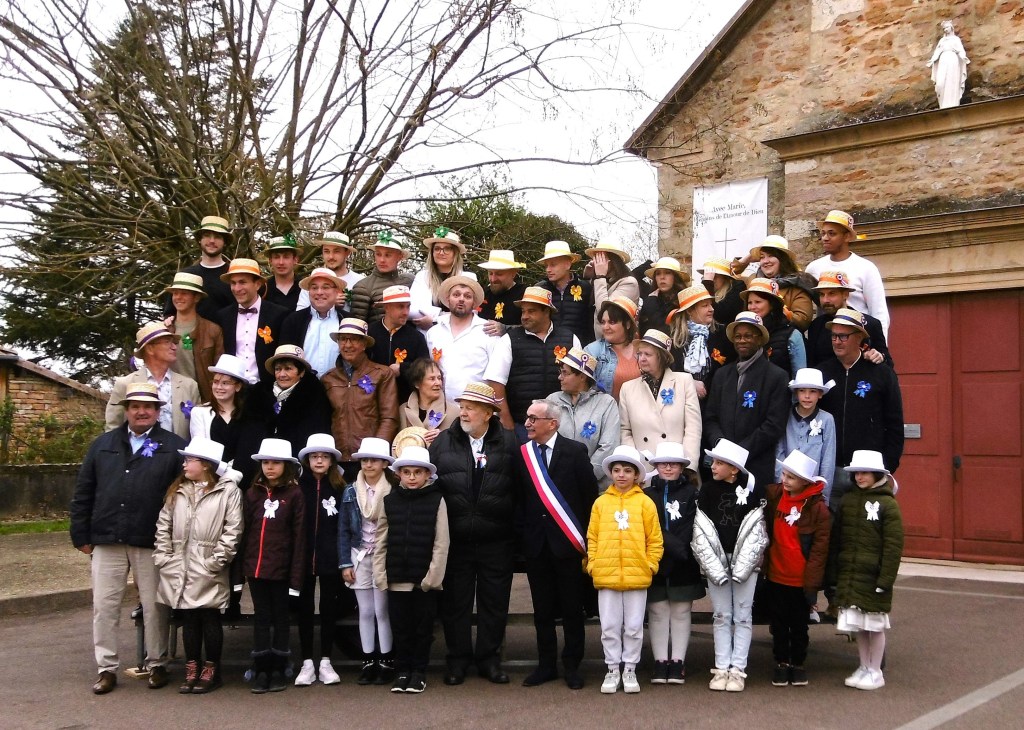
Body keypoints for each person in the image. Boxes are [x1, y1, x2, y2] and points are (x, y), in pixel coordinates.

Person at [71, 383, 187, 694]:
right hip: (106, 537)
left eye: (148, 406)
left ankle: (157, 663)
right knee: (104, 605)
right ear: (126, 410)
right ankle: (106, 668)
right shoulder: (103, 445)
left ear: (158, 411)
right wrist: (80, 533)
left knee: (154, 606)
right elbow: (84, 491)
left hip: (151, 538)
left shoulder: (174, 446)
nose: (141, 412)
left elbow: (182, 496)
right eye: (135, 406)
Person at [428, 382, 519, 686]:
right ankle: (457, 661)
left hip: (497, 540)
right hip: (456, 540)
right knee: (456, 604)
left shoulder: (509, 443)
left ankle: (489, 660)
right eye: (462, 407)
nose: (463, 413)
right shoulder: (442, 442)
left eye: (470, 408)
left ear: (488, 413)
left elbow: (519, 490)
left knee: (495, 604)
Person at [517, 398, 598, 690]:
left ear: (552, 423)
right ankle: (546, 665)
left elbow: (589, 498)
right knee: (542, 610)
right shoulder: (523, 454)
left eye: (533, 418)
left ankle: (572, 665)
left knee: (572, 609)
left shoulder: (575, 452)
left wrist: (585, 540)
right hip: (537, 545)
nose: (527, 423)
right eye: (527, 418)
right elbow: (519, 499)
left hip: (568, 545)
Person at [154, 437, 243, 695]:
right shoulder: (179, 490)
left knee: (209, 616)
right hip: (179, 564)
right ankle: (192, 668)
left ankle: (211, 670)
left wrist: (215, 561)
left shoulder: (228, 492)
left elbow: (233, 530)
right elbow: (163, 525)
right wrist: (164, 557)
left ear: (205, 464)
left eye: (189, 460)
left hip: (207, 564)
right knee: (189, 617)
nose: (184, 464)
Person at [690, 438, 768, 693]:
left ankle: (737, 669)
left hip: (746, 562)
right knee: (721, 615)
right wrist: (712, 562)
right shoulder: (707, 492)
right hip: (718, 561)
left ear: (734, 469)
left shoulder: (752, 493)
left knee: (743, 615)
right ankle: (721, 667)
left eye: (719, 462)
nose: (713, 466)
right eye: (713, 461)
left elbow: (757, 531)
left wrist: (746, 562)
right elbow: (701, 529)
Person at [373, 445, 450, 694]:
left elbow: (441, 542)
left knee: (422, 628)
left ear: (428, 474)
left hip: (424, 579)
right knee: (400, 627)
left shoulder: (436, 500)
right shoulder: (390, 501)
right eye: (407, 472)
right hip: (396, 577)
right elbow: (381, 540)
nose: (412, 477)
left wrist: (432, 578)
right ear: (399, 474)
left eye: (418, 472)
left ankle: (418, 672)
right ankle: (402, 670)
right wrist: (380, 573)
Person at [587, 444, 663, 695]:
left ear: (636, 475)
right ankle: (612, 668)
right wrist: (594, 564)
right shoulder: (600, 503)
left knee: (633, 626)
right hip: (606, 574)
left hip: (637, 574)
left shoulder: (645, 503)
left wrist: (650, 565)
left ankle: (629, 668)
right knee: (609, 626)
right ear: (610, 472)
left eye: (627, 471)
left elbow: (655, 540)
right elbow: (592, 537)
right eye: (617, 470)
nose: (621, 475)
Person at [830, 450, 904, 691]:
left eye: (864, 473)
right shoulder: (848, 500)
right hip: (851, 575)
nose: (859, 477)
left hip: (873, 576)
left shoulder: (888, 505)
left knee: (874, 625)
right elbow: (838, 538)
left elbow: (893, 546)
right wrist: (837, 570)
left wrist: (886, 579)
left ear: (876, 474)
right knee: (859, 626)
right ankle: (863, 666)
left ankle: (875, 670)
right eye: (856, 473)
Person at [238, 437, 306, 694]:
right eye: (266, 462)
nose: (270, 467)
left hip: (281, 568)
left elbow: (299, 537)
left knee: (280, 617)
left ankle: (279, 667)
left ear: (286, 465)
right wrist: (242, 568)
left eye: (276, 463)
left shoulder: (295, 494)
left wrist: (296, 575)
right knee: (261, 617)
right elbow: (246, 531)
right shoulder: (252, 493)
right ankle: (261, 667)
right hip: (256, 568)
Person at [818, 308, 904, 509]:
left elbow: (895, 424)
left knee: (864, 528)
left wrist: (886, 468)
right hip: (830, 472)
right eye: (834, 336)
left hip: (868, 472)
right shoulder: (821, 373)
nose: (837, 341)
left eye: (843, 336)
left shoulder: (881, 373)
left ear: (859, 337)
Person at [764, 450, 832, 688]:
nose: (784, 480)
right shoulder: (774, 496)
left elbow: (819, 551)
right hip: (776, 574)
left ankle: (798, 663)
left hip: (800, 578)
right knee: (779, 623)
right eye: (784, 474)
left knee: (800, 625)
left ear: (805, 481)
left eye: (791, 477)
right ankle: (781, 662)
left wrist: (812, 583)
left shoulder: (817, 509)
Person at [703, 312, 790, 489]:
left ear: (760, 339)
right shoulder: (721, 375)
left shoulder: (777, 376)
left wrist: (739, 452)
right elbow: (710, 418)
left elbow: (774, 425)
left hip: (756, 467)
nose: (742, 340)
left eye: (748, 336)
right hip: (722, 466)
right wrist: (721, 445)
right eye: (738, 336)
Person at [643, 442, 704, 686]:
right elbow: (649, 527)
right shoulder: (647, 495)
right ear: (656, 466)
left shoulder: (692, 494)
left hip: (684, 562)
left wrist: (679, 551)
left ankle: (678, 661)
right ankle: (660, 661)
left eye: (674, 464)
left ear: (681, 467)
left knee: (681, 611)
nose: (668, 468)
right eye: (663, 464)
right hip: (655, 561)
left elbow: (693, 526)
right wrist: (668, 550)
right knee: (657, 612)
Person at [485, 286, 579, 437]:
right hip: (521, 424)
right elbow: (495, 382)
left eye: (531, 311)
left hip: (562, 424)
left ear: (546, 311)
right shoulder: (509, 340)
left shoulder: (570, 339)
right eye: (523, 311)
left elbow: (580, 381)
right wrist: (506, 420)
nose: (524, 316)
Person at [339, 437, 395, 686]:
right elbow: (343, 530)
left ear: (384, 463)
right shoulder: (351, 491)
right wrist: (345, 563)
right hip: (359, 555)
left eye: (374, 460)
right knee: (365, 611)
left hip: (383, 556)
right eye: (364, 460)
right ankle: (368, 660)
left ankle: (386, 660)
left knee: (382, 611)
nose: (368, 464)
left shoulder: (393, 490)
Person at [236, 345, 332, 488]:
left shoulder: (313, 397)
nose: (282, 374)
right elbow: (248, 437)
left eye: (288, 369)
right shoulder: (259, 395)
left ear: (301, 372)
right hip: (262, 469)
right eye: (278, 369)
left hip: (295, 470)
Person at [293, 433, 346, 687]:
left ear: (331, 461)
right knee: (304, 609)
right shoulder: (297, 487)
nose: (319, 460)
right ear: (307, 460)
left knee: (328, 609)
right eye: (314, 456)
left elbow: (345, 525)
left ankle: (325, 661)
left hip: (330, 558)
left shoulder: (340, 488)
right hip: (302, 558)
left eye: (325, 456)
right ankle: (306, 662)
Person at [322, 318, 400, 480]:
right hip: (338, 459)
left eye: (354, 339)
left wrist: (374, 453)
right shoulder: (328, 378)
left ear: (364, 344)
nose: (347, 345)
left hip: (370, 459)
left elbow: (389, 418)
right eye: (343, 339)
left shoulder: (382, 374)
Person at [619, 329, 702, 468]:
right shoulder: (627, 388)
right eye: (639, 354)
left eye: (648, 354)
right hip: (644, 469)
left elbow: (693, 429)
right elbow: (625, 431)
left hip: (676, 467)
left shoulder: (684, 382)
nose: (642, 359)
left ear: (662, 358)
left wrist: (688, 465)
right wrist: (635, 466)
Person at [106, 321, 201, 441]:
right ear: (150, 349)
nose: (174, 347)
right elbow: (113, 428)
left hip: (180, 452)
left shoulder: (189, 386)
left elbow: (198, 430)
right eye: (167, 342)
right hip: (135, 452)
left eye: (174, 342)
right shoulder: (125, 384)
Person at [804, 210, 890, 337]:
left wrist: (879, 345)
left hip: (858, 337)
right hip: (826, 336)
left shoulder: (866, 268)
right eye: (823, 233)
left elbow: (879, 312)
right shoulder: (813, 268)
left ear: (847, 236)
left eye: (832, 233)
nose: (825, 238)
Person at [548, 347, 621, 489]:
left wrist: (584, 476)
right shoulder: (552, 400)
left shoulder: (606, 403)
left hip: (594, 486)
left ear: (582, 376)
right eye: (560, 372)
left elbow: (608, 446)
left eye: (565, 373)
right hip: (555, 484)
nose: (560, 377)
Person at [215, 258, 289, 385]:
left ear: (257, 284)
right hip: (234, 388)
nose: (237, 288)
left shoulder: (279, 315)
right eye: (233, 283)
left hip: (267, 388)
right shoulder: (223, 316)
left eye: (242, 282)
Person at [425, 275, 495, 402]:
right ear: (448, 299)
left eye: (467, 296)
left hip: (476, 406)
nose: (461, 299)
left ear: (474, 303)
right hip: (439, 407)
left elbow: (496, 377)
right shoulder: (433, 333)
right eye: (456, 295)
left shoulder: (488, 332)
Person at [806, 271, 892, 368]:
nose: (825, 300)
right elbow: (811, 364)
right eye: (822, 294)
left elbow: (888, 364)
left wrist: (880, 357)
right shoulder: (816, 326)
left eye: (832, 294)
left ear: (845, 295)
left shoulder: (869, 324)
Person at [775, 368, 837, 501]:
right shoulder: (785, 415)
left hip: (812, 489)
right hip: (785, 487)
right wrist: (781, 483)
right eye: (802, 391)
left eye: (813, 391)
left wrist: (822, 495)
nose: (807, 396)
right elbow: (779, 451)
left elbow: (828, 458)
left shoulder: (827, 420)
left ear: (820, 394)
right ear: (796, 393)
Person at [730, 236, 816, 331]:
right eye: (762, 257)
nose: (766, 261)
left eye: (771, 256)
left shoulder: (797, 283)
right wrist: (745, 261)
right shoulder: (753, 279)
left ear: (783, 259)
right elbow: (727, 278)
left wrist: (780, 310)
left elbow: (803, 322)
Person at [163, 272, 225, 404]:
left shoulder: (212, 330)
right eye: (175, 293)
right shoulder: (163, 330)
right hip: (168, 399)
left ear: (196, 297)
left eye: (184, 293)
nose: (178, 297)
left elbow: (220, 371)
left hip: (202, 400)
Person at [666, 284, 735, 401]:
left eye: (711, 304)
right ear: (690, 310)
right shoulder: (674, 338)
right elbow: (668, 372)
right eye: (705, 305)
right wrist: (689, 383)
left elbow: (729, 368)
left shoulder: (722, 333)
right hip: (681, 400)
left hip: (714, 400)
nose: (711, 309)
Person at [280, 267, 348, 378]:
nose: (319, 292)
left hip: (340, 386)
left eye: (326, 287)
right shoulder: (293, 321)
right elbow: (284, 360)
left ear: (337, 291)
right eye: (314, 288)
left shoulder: (347, 320)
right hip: (303, 386)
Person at [367, 285, 429, 401]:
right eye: (400, 307)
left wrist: (402, 369)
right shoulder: (369, 332)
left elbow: (425, 369)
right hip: (371, 400)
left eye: (408, 306)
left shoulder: (417, 337)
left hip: (406, 402)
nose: (406, 312)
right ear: (387, 307)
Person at [189, 353, 253, 466]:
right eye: (215, 382)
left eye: (225, 383)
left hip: (241, 471)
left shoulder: (248, 415)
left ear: (238, 387)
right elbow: (200, 449)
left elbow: (248, 449)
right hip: (210, 471)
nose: (219, 387)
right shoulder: (199, 412)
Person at [166, 215, 234, 320]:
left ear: (224, 242)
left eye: (217, 237)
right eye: (207, 236)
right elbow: (170, 314)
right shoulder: (185, 275)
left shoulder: (234, 275)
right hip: (190, 331)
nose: (212, 241)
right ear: (199, 240)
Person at [742, 277, 806, 378]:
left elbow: (800, 375)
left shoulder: (792, 334)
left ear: (772, 304)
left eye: (758, 302)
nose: (752, 307)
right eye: (750, 303)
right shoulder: (742, 332)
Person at [536, 240, 595, 346]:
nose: (548, 269)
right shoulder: (540, 289)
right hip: (546, 349)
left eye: (553, 265)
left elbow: (591, 323)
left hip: (579, 350)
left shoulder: (586, 288)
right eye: (546, 265)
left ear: (568, 264)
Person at [348, 231, 413, 323]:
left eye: (388, 255)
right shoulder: (363, 287)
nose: (382, 260)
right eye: (378, 254)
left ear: (400, 257)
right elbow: (357, 326)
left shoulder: (409, 281)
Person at [584, 296, 640, 400]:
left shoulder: (641, 350)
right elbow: (581, 390)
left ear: (627, 324)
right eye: (603, 322)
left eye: (612, 322)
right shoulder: (592, 351)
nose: (606, 327)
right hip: (604, 410)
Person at [410, 227, 465, 329]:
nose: (441, 252)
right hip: (426, 335)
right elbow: (412, 310)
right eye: (437, 248)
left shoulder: (467, 278)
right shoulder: (422, 276)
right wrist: (444, 314)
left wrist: (435, 320)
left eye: (447, 249)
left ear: (455, 253)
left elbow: (468, 314)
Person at [586, 241, 640, 341]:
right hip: (599, 342)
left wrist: (600, 276)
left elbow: (604, 310)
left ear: (612, 261)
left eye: (601, 258)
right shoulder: (604, 281)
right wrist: (588, 277)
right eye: (595, 258)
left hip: (620, 343)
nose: (597, 263)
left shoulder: (629, 283)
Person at [296, 231, 363, 311]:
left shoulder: (360, 281)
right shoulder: (312, 281)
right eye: (326, 251)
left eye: (336, 251)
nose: (331, 256)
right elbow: (300, 313)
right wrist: (328, 303)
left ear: (347, 253)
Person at [399, 357, 460, 440]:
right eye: (432, 379)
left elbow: (461, 444)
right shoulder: (403, 410)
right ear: (417, 383)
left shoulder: (455, 412)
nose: (438, 383)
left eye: (439, 378)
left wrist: (443, 438)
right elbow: (397, 443)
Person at [478, 249, 527, 333]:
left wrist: (506, 329)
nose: (493, 279)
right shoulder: (482, 295)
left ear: (513, 273)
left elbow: (535, 327)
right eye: (490, 273)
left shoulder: (525, 295)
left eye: (499, 274)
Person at [638, 256, 689, 335]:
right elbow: (634, 276)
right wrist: (649, 264)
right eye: (658, 274)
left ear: (675, 277)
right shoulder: (650, 298)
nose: (662, 277)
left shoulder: (685, 300)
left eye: (667, 273)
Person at [928, 20, 970, 109]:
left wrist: (963, 57)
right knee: (940, 83)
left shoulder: (956, 39)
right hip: (943, 60)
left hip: (953, 60)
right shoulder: (942, 40)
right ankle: (942, 102)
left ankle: (952, 103)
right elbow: (937, 52)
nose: (946, 29)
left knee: (952, 79)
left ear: (951, 28)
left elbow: (960, 50)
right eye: (944, 28)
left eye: (947, 27)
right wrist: (932, 60)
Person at [699, 257, 746, 327]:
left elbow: (722, 316)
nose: (711, 280)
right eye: (707, 277)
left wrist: (708, 284)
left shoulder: (737, 287)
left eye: (715, 276)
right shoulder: (704, 290)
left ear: (725, 277)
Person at [262, 234, 303, 311]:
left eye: (286, 257)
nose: (281, 262)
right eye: (276, 257)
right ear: (270, 260)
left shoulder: (305, 288)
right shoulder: (263, 289)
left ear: (295, 260)